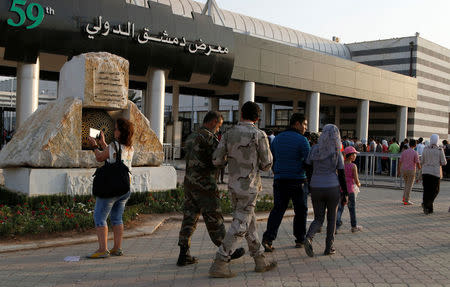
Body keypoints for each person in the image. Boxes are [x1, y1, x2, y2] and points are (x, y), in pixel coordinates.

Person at [209, 101, 275, 278]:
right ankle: (220, 262)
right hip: (250, 187)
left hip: (233, 186)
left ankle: (260, 260)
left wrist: (230, 161)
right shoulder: (259, 135)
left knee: (249, 222)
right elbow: (267, 164)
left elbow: (216, 160)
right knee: (240, 224)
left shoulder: (229, 133)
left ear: (241, 114)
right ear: (257, 117)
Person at [177, 111, 244, 266]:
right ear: (214, 122)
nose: (219, 129)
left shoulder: (192, 136)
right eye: (219, 125)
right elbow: (217, 160)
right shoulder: (208, 137)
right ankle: (226, 251)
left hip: (189, 183)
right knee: (214, 217)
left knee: (189, 218)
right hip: (205, 184)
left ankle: (183, 253)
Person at [261, 114, 310, 252]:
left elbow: (272, 158)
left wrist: (277, 171)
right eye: (304, 124)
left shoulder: (277, 139)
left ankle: (268, 239)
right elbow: (308, 161)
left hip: (280, 180)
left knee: (278, 210)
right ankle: (300, 238)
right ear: (297, 124)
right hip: (298, 180)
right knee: (300, 210)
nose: (305, 127)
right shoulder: (302, 140)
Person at [87, 118, 134, 258]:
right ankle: (117, 248)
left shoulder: (114, 145)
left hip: (111, 188)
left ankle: (102, 249)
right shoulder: (130, 147)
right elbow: (114, 156)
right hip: (124, 188)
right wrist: (103, 143)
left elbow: (101, 157)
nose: (114, 131)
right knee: (117, 218)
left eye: (116, 129)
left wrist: (95, 146)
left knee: (99, 217)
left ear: (121, 132)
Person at [303, 124, 348, 257]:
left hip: (316, 187)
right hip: (332, 187)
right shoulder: (336, 151)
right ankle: (329, 247)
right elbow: (341, 174)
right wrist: (345, 193)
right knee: (332, 219)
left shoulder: (314, 149)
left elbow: (307, 166)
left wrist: (311, 183)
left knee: (318, 218)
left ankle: (309, 237)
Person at [336, 146, 362, 233]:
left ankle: (336, 226)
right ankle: (354, 226)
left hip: (340, 190)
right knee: (352, 209)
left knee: (340, 208)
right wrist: (358, 184)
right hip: (350, 191)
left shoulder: (341, 165)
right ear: (350, 155)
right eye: (355, 154)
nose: (355, 156)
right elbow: (356, 179)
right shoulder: (353, 166)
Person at [421, 134, 447, 214]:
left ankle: (429, 209)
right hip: (435, 173)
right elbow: (444, 162)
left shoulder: (425, 149)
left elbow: (422, 161)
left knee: (426, 190)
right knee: (435, 190)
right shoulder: (439, 150)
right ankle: (427, 204)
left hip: (425, 172)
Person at [399, 139, 421, 205]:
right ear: (415, 145)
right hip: (411, 170)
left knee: (406, 184)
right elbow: (417, 162)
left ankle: (404, 198)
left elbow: (400, 162)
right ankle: (406, 200)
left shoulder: (404, 152)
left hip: (404, 170)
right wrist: (420, 168)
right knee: (409, 185)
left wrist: (399, 170)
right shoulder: (415, 153)